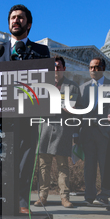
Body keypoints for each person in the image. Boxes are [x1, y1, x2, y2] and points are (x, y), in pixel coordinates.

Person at [0, 4, 50, 214]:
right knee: (6, 162)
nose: (16, 21)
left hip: (29, 116)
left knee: (25, 161)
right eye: (13, 18)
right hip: (4, 117)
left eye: (20, 18)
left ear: (29, 24)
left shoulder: (41, 51)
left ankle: (23, 202)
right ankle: (6, 201)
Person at [34, 56, 78, 209]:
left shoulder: (72, 86)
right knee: (43, 166)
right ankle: (42, 197)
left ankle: (65, 198)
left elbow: (71, 108)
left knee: (62, 167)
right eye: (53, 66)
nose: (56, 69)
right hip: (44, 130)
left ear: (64, 69)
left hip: (62, 130)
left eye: (59, 67)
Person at [78, 58, 110, 208]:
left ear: (103, 68)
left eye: (96, 67)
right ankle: (89, 195)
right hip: (87, 131)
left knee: (105, 165)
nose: (93, 70)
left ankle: (105, 195)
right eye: (91, 67)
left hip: (104, 132)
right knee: (89, 166)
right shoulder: (83, 88)